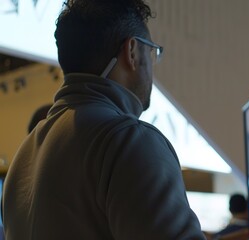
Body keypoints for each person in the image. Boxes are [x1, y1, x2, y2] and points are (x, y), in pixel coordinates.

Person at [2, 0, 205, 239]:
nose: (152, 63)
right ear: (131, 51)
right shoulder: (128, 140)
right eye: (152, 51)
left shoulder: (23, 157)